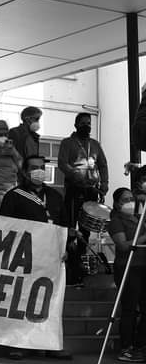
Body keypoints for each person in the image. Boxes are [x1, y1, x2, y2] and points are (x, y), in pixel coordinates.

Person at [0, 155, 73, 361]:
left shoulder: (55, 196)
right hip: (24, 256)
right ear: (25, 172)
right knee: (22, 299)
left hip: (51, 256)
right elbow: (4, 226)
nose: (38, 171)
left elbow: (64, 225)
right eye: (33, 167)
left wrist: (65, 247)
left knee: (50, 301)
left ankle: (51, 344)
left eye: (42, 167)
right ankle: (18, 344)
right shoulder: (14, 196)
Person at [58, 112, 108, 286]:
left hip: (92, 189)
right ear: (76, 125)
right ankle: (70, 265)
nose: (87, 125)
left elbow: (103, 165)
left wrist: (104, 184)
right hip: (74, 188)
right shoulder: (67, 142)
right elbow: (62, 163)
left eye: (89, 123)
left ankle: (79, 261)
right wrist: (75, 174)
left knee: (86, 229)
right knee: (71, 227)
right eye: (83, 123)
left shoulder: (95, 144)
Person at [106, 188, 146, 363]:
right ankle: (126, 347)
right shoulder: (116, 221)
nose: (130, 202)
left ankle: (140, 345)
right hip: (128, 268)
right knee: (129, 308)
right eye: (125, 199)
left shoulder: (138, 219)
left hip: (143, 267)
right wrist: (143, 237)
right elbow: (123, 245)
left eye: (131, 199)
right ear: (117, 203)